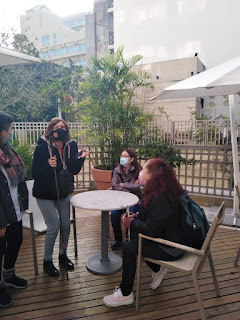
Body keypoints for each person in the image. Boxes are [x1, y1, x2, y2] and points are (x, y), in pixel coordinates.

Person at [103, 158, 185, 307]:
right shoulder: (162, 191)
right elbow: (157, 219)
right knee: (134, 236)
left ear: (151, 176)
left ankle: (125, 293)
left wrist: (132, 222)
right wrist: (137, 217)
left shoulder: (160, 197)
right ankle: (157, 268)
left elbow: (152, 230)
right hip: (168, 237)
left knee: (129, 247)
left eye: (144, 169)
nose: (140, 172)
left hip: (171, 247)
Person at [32, 117, 89, 277]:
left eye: (63, 127)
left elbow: (73, 170)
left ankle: (62, 255)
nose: (60, 130)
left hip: (63, 192)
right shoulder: (42, 148)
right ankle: (47, 261)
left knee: (65, 225)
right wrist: (47, 166)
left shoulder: (71, 146)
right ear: (51, 130)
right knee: (54, 226)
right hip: (44, 194)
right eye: (57, 127)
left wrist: (81, 158)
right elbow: (35, 173)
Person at [0, 113, 28, 308]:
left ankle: (8, 275)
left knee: (16, 240)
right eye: (10, 129)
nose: (12, 132)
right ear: (2, 132)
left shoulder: (7, 151)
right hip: (2, 215)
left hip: (14, 209)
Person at [111, 149, 142, 250]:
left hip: (135, 201)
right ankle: (118, 239)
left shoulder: (138, 171)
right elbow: (114, 185)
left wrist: (124, 184)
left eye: (125, 156)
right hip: (121, 200)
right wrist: (129, 190)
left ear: (132, 159)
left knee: (130, 216)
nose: (122, 158)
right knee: (114, 215)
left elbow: (139, 186)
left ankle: (132, 240)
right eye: (121, 156)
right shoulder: (116, 171)